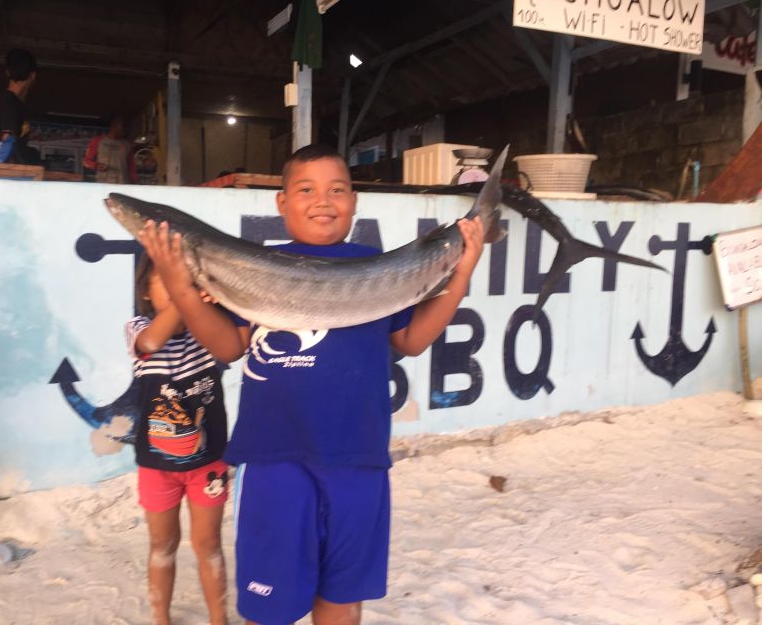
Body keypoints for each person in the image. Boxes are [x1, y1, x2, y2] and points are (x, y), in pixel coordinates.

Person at [138, 143, 486, 625]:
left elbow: (412, 340)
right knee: (270, 605)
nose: (323, 200)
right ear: (282, 203)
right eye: (306, 190)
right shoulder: (250, 267)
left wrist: (462, 271)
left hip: (357, 458)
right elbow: (226, 347)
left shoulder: (378, 266)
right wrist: (180, 285)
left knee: (342, 599)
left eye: (337, 190)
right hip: (273, 458)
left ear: (355, 200)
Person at [126, 254, 230, 625]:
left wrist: (207, 303)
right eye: (167, 283)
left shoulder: (210, 330)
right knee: (162, 546)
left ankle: (219, 619)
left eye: (186, 282)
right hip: (157, 468)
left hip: (209, 464)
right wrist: (187, 296)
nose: (178, 291)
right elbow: (152, 340)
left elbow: (232, 344)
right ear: (145, 292)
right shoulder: (137, 328)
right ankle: (161, 618)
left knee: (208, 546)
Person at [0, 48, 41, 165]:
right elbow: (6, 140)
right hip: (7, 173)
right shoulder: (8, 101)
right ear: (33, 75)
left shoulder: (12, 101)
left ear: (7, 72)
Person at [84, 114, 138, 184]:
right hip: (103, 182)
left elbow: (131, 166)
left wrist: (134, 183)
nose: (125, 129)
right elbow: (86, 161)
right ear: (115, 125)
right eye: (122, 125)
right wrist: (96, 165)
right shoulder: (98, 141)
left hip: (123, 182)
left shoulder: (127, 144)